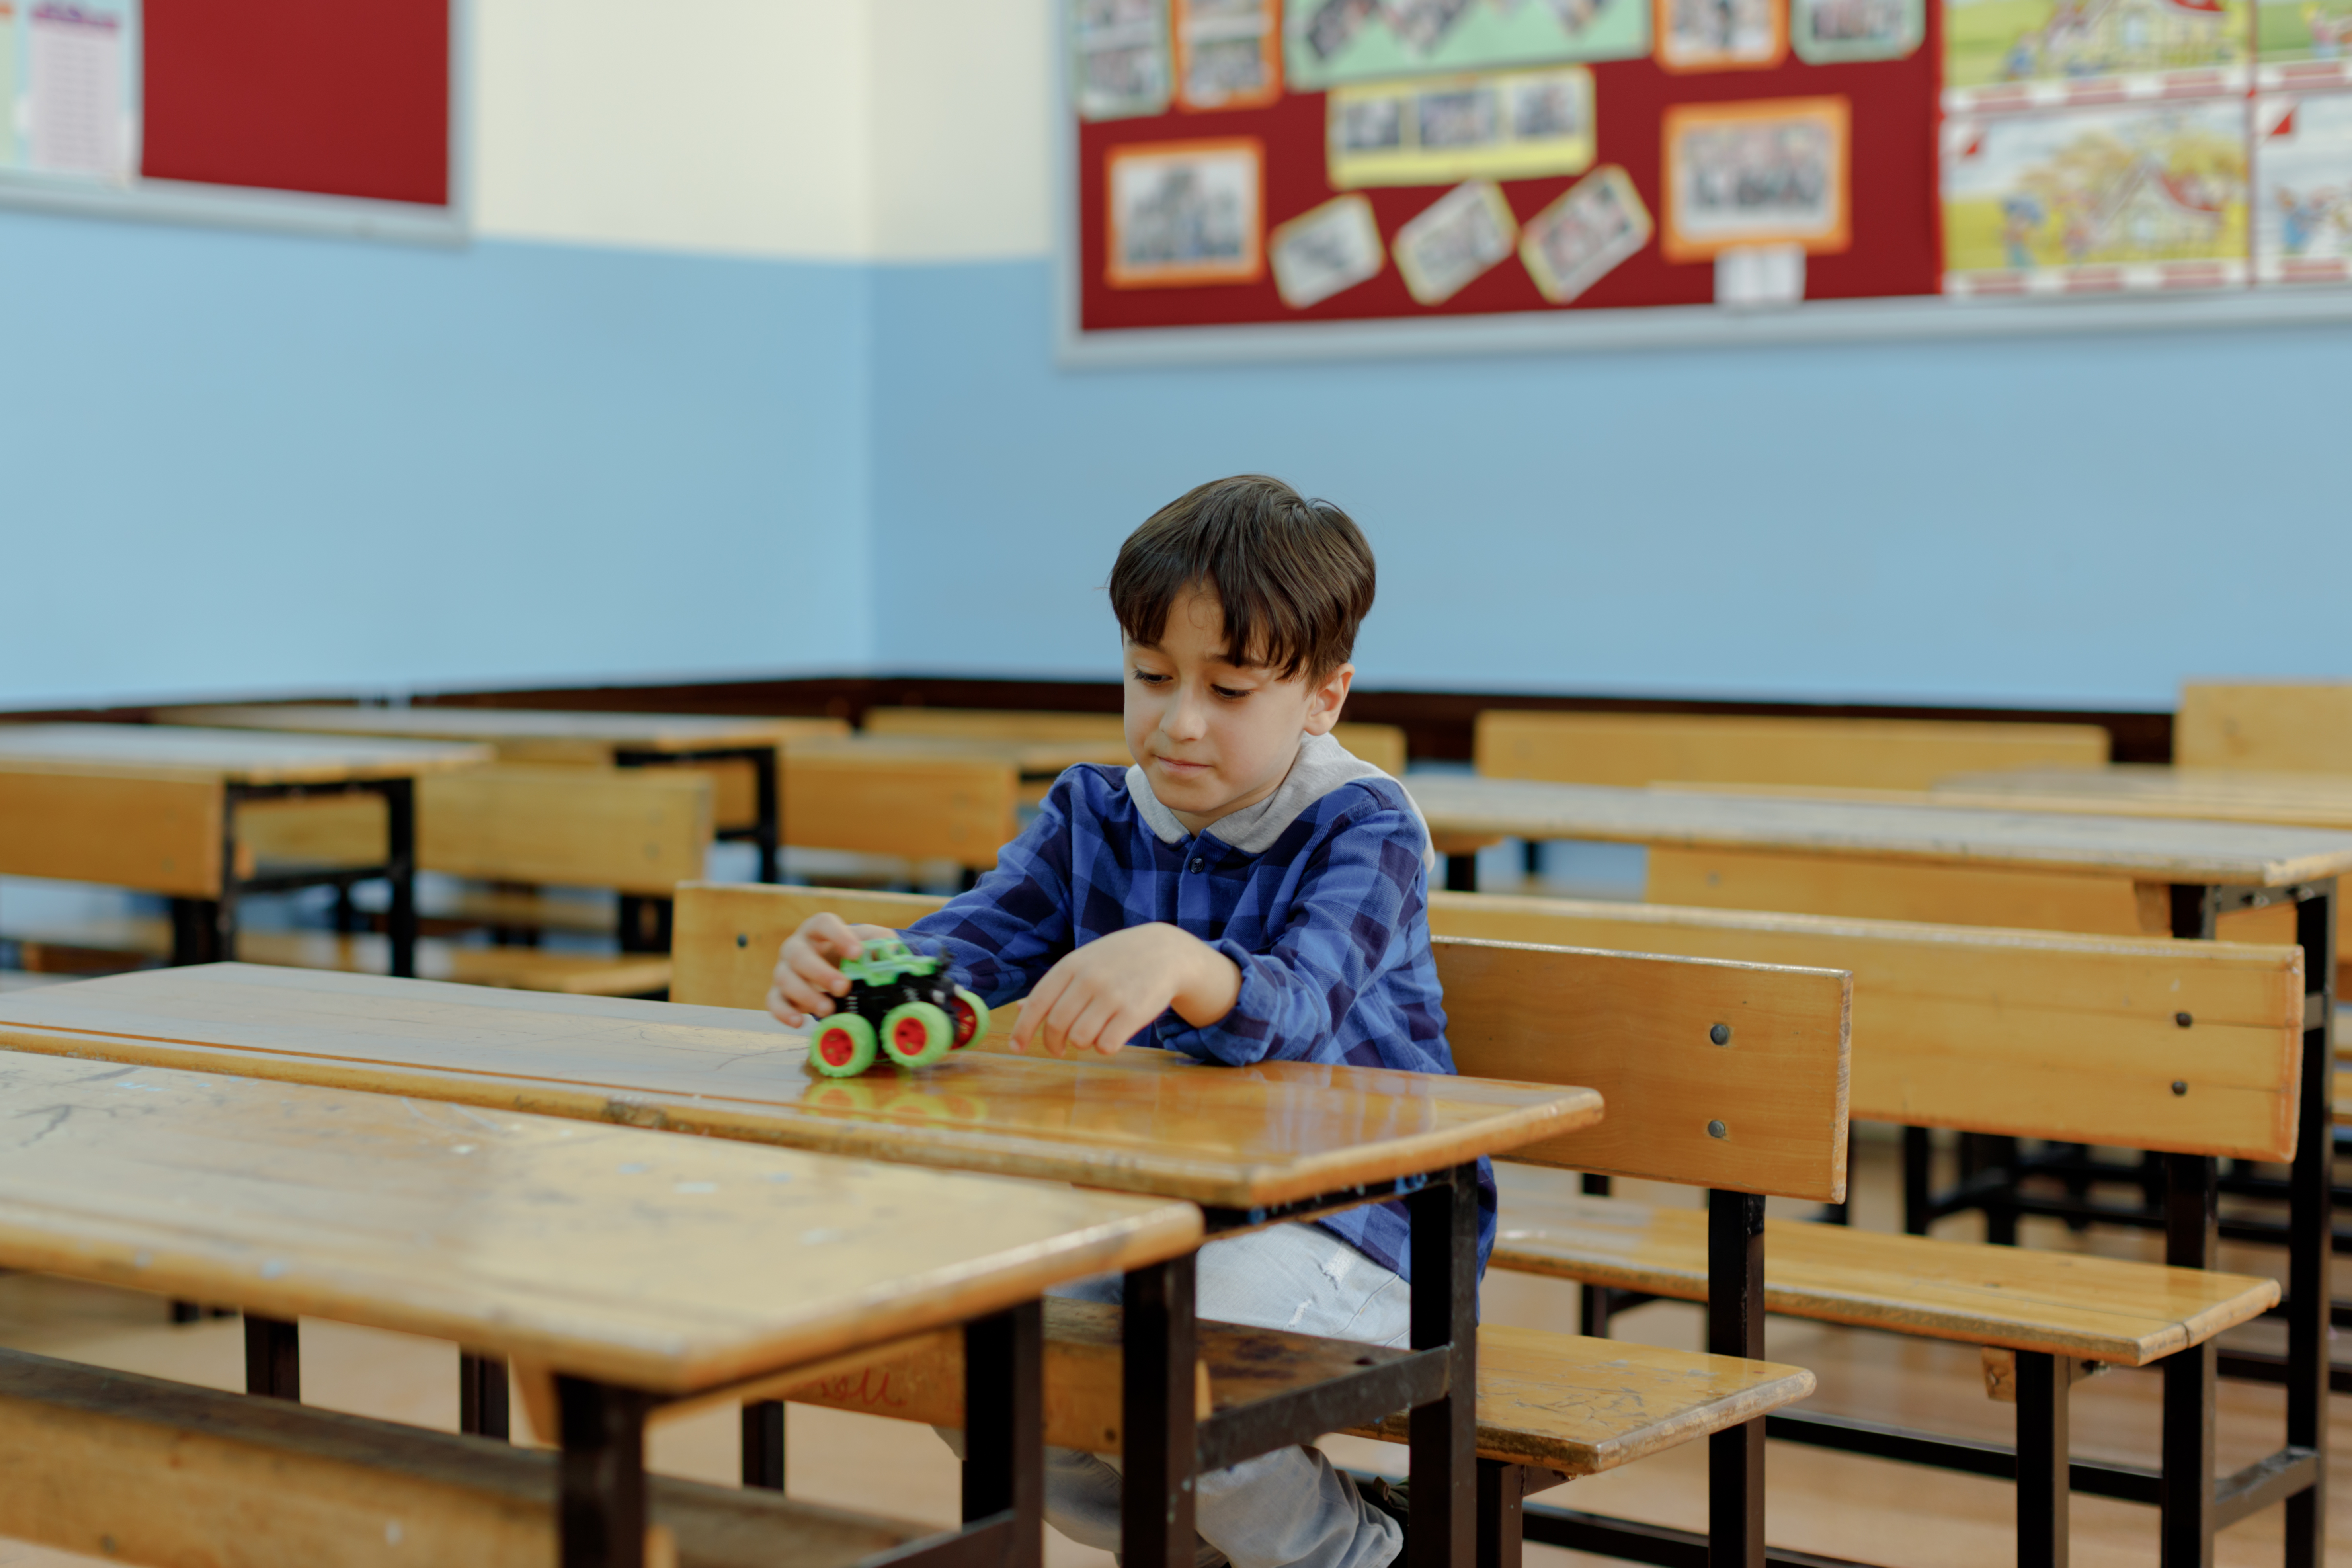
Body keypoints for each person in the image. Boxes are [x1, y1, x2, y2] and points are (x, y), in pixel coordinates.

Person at [767, 474, 1490, 1568]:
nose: (1179, 720)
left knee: (1175, 1353)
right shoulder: (1092, 815)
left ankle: (1351, 1556)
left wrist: (1187, 964)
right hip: (1171, 1216)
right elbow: (971, 943)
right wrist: (866, 970)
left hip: (1371, 1226)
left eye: (1231, 688)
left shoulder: (1363, 826)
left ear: (1323, 697)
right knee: (979, 1350)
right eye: (1151, 676)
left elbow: (1296, 1006)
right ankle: (1197, 1553)